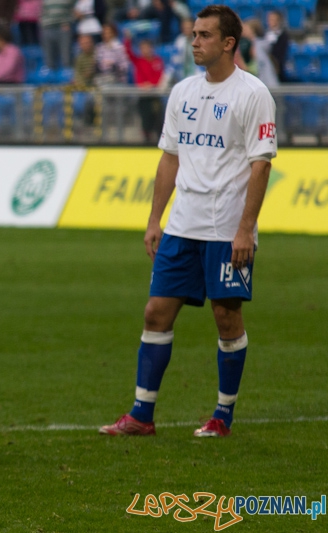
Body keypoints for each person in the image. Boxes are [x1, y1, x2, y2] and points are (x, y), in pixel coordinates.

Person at [100, 5, 277, 438]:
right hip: (181, 226)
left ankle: (222, 416)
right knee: (156, 312)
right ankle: (142, 415)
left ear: (228, 43)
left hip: (225, 231)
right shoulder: (181, 92)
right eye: (193, 34)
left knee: (226, 318)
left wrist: (244, 229)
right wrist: (154, 218)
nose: (194, 41)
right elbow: (170, 159)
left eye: (204, 35)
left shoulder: (253, 94)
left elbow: (261, 166)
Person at [124, 29, 166, 143]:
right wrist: (128, 39)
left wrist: (151, 85)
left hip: (154, 95)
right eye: (143, 48)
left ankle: (159, 139)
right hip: (143, 96)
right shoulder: (139, 61)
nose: (146, 50)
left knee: (158, 118)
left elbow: (159, 76)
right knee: (145, 118)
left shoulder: (157, 61)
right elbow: (128, 52)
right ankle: (146, 139)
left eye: (147, 47)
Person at [40, 0, 76, 70]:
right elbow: (41, 11)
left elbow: (76, 8)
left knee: (66, 58)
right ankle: (50, 78)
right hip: (48, 28)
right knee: (49, 60)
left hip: (63, 28)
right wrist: (43, 25)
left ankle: (66, 77)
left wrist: (69, 22)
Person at [246, 18, 278, 88]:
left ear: (252, 30)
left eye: (247, 29)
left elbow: (261, 65)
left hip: (265, 83)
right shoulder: (250, 44)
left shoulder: (259, 46)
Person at [263, 10, 288, 83]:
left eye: (273, 19)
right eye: (269, 19)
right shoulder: (265, 34)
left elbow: (280, 52)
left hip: (277, 67)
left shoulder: (283, 36)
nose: (270, 22)